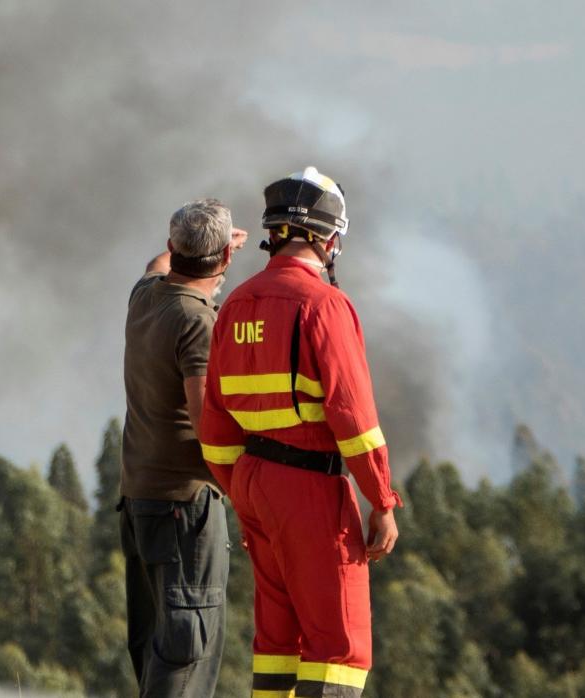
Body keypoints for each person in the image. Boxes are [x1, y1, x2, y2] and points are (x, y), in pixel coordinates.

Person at [199, 168, 402, 698]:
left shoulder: (236, 304)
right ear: (329, 239)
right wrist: (381, 501)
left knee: (278, 639)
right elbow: (353, 419)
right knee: (339, 644)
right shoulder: (324, 306)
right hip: (310, 488)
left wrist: (240, 487)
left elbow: (215, 425)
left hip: (251, 485)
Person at [119, 198, 247, 697]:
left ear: (174, 247)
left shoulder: (145, 297)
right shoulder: (199, 323)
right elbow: (206, 422)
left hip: (139, 503)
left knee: (154, 649)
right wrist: (250, 497)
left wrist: (206, 250)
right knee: (183, 659)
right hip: (183, 513)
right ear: (226, 261)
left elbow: (158, 265)